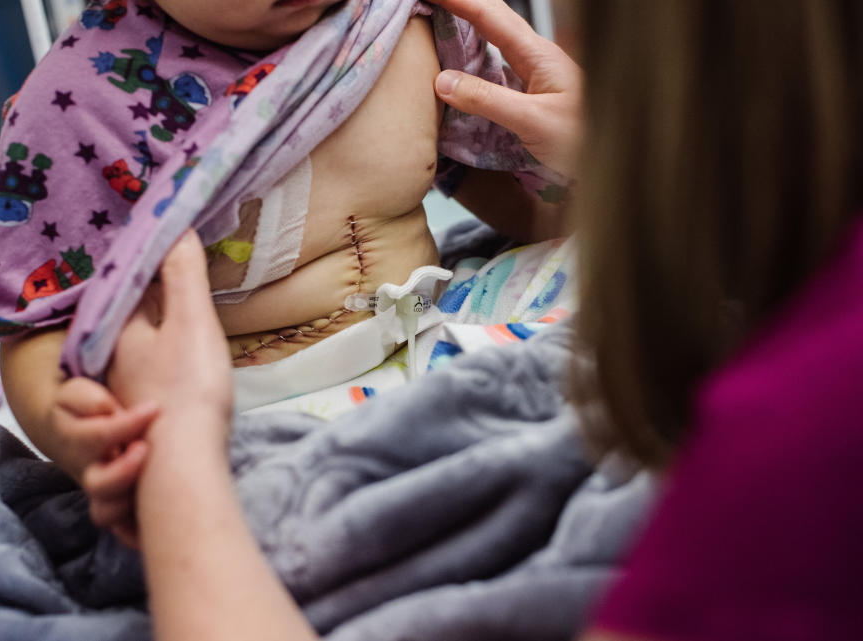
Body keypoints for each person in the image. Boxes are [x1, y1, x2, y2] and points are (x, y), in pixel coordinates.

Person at [108, 0, 863, 638]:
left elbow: (525, 208)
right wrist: (611, 173)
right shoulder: (92, 106)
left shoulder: (786, 444)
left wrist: (177, 464)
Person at [0, 0, 565, 545]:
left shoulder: (408, 22)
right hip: (246, 408)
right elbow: (38, 326)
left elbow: (522, 195)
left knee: (627, 304)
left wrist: (588, 166)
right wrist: (71, 431)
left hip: (443, 325)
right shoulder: (86, 106)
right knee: (269, 531)